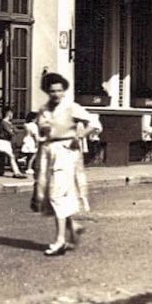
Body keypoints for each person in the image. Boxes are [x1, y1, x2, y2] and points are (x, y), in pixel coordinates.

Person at [31, 72, 99, 255]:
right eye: (52, 90)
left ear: (64, 91)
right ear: (48, 91)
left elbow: (94, 122)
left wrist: (80, 135)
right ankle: (73, 227)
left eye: (59, 90)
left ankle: (60, 240)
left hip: (65, 152)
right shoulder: (44, 109)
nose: (56, 94)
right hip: (47, 152)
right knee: (51, 194)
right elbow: (42, 130)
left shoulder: (71, 107)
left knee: (57, 194)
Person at [0, 106, 27, 178]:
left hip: (7, 142)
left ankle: (17, 172)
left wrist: (13, 129)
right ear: (8, 113)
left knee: (11, 157)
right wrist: (12, 130)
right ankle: (17, 172)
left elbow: (16, 131)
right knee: (11, 156)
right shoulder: (4, 122)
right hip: (3, 142)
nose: (12, 115)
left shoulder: (9, 123)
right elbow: (11, 132)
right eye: (11, 113)